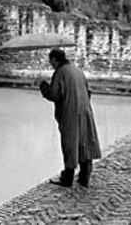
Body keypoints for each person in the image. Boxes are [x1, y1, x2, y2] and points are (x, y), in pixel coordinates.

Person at [35, 49, 101, 188]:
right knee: (84, 142)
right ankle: (84, 176)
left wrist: (42, 84)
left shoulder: (61, 72)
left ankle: (68, 177)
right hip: (84, 110)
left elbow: (54, 95)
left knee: (70, 144)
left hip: (70, 112)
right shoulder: (77, 70)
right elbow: (88, 91)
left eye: (50, 61)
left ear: (54, 60)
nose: (50, 64)